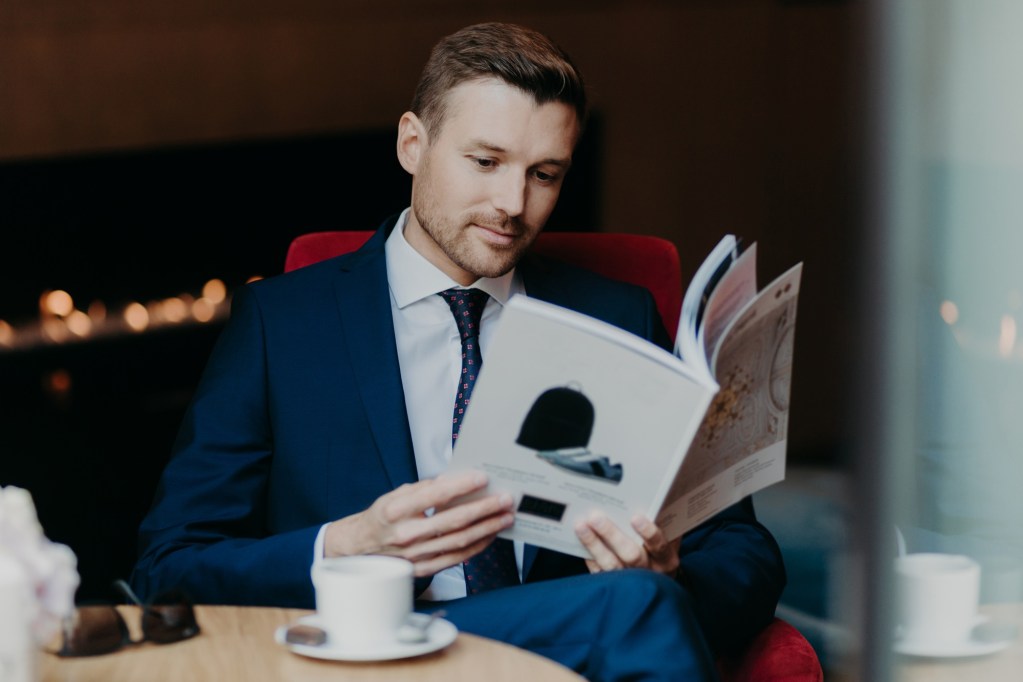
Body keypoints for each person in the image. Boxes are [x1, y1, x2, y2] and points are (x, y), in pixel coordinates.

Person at [131, 22, 784, 681]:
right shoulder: (281, 324)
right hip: (371, 654)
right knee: (634, 609)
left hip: (571, 648)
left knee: (637, 601)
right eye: (485, 161)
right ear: (412, 143)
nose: (512, 204)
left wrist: (669, 574)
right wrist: (347, 546)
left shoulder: (615, 316)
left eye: (544, 174)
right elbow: (167, 568)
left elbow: (742, 549)